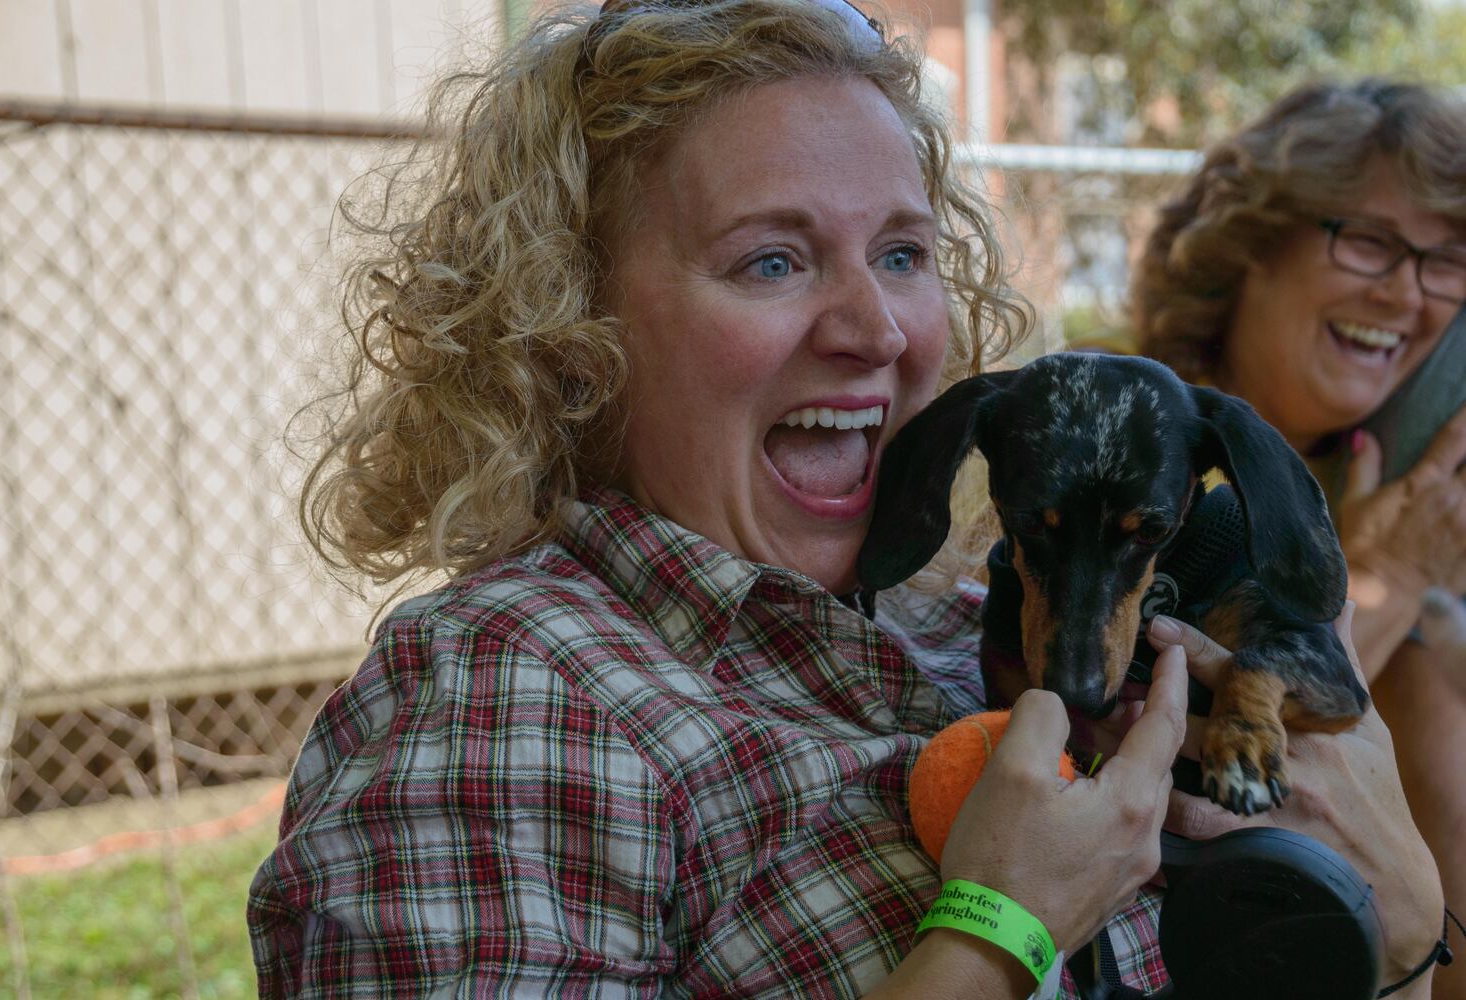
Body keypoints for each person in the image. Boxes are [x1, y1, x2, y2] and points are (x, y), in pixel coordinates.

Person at [247, 8, 1443, 997]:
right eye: (771, 259)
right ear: (569, 331)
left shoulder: (967, 614)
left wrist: (1401, 935)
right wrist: (993, 933)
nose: (874, 328)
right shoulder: (508, 692)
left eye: (904, 254)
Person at [1130, 78, 1466, 999]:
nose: (1408, 293)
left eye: (1448, 261)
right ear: (1248, 250)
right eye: (1370, 242)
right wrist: (1389, 577)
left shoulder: (1420, 489)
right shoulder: (1139, 460)